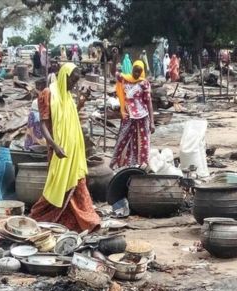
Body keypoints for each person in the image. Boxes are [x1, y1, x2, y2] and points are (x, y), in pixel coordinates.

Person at [30, 63, 100, 232]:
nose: (73, 85)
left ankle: (82, 222)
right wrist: (54, 146)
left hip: (73, 150)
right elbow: (43, 125)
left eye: (76, 81)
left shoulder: (67, 95)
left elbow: (70, 116)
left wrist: (81, 102)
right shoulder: (48, 94)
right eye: (72, 80)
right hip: (58, 150)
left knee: (78, 184)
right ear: (64, 76)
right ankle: (38, 217)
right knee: (56, 186)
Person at [111, 60, 154, 169]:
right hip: (128, 115)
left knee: (142, 141)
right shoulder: (125, 79)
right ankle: (117, 163)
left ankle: (142, 165)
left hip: (142, 116)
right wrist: (114, 57)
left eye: (139, 72)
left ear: (142, 72)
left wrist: (152, 122)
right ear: (132, 69)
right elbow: (113, 73)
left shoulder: (144, 83)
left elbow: (148, 102)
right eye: (135, 71)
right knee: (122, 139)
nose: (136, 74)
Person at [24, 79, 48, 150]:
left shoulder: (36, 101)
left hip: (37, 119)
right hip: (42, 120)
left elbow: (30, 126)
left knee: (32, 134)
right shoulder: (49, 98)